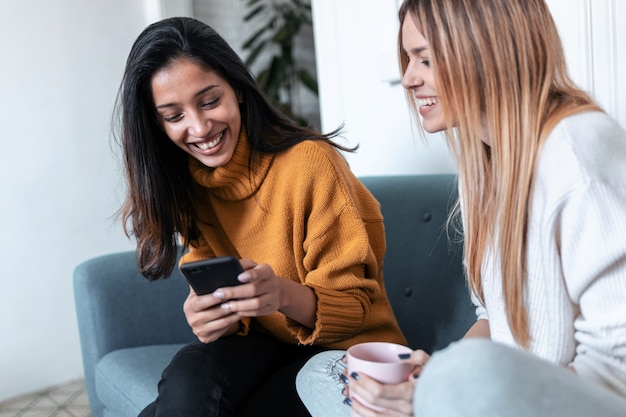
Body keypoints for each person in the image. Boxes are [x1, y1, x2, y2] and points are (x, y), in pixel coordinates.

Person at [296, 0, 626, 416]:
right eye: (409, 59)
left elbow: (617, 370)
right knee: (323, 372)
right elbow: (494, 320)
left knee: (461, 372)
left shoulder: (578, 147)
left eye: (426, 59)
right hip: (490, 397)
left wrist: (451, 387)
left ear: (485, 52)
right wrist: (427, 377)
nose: (409, 78)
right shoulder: (485, 166)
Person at [114, 16, 407, 417]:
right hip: (266, 349)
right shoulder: (188, 184)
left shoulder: (309, 163)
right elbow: (232, 319)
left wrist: (279, 294)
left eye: (210, 101)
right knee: (189, 375)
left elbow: (355, 308)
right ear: (156, 124)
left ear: (236, 88)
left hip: (341, 353)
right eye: (174, 115)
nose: (199, 127)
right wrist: (212, 317)